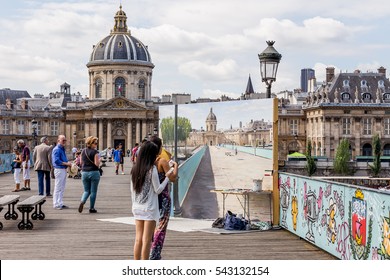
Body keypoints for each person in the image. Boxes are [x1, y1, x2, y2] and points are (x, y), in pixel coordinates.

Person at [130, 141, 174, 260]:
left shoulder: (135, 169)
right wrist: (167, 178)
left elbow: (132, 190)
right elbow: (158, 189)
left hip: (137, 207)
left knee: (138, 238)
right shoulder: (152, 169)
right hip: (149, 208)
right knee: (147, 239)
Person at [149, 136, 178, 260]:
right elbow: (173, 178)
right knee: (161, 226)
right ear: (159, 148)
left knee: (151, 225)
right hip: (164, 197)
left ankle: (148, 250)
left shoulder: (147, 161)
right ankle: (155, 254)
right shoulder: (161, 161)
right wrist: (175, 166)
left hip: (151, 197)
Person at [78, 136, 102, 214]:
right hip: (94, 172)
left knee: (86, 190)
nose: (96, 144)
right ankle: (91, 208)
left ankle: (82, 201)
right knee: (93, 191)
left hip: (84, 173)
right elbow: (97, 164)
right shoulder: (95, 152)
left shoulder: (83, 151)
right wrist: (99, 160)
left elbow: (81, 163)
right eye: (95, 143)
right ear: (91, 144)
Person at [51, 135, 72, 210]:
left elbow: (63, 159)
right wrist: (67, 164)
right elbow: (56, 161)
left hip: (63, 169)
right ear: (58, 140)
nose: (64, 142)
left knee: (62, 187)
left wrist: (68, 162)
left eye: (65, 140)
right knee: (58, 187)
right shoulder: (56, 149)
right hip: (59, 169)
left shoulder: (62, 149)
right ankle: (56, 204)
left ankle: (60, 202)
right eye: (63, 140)